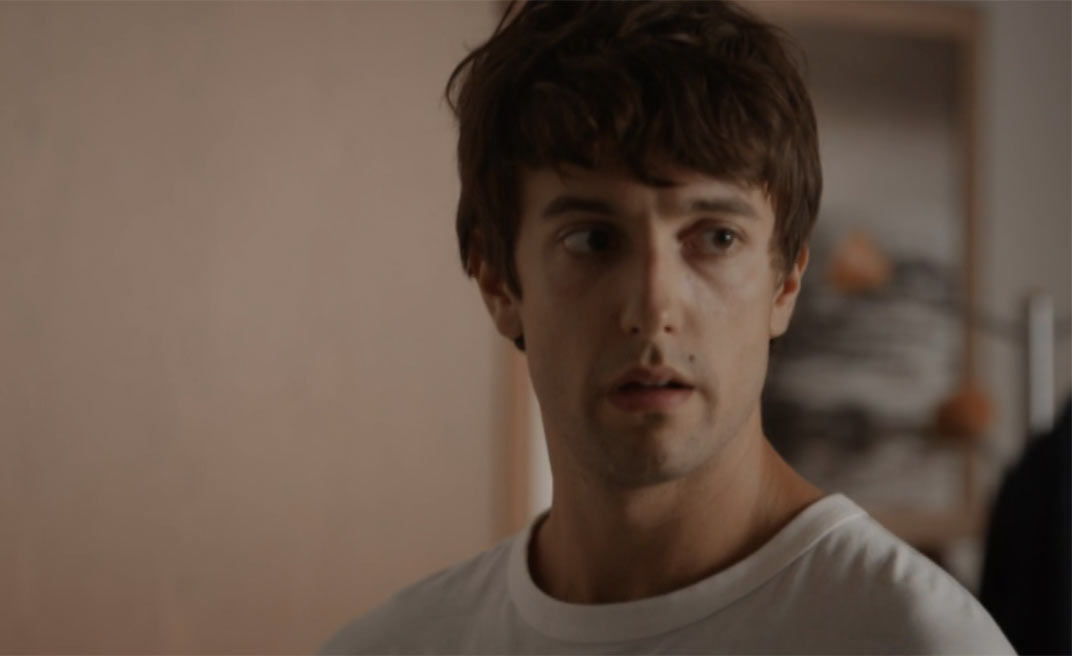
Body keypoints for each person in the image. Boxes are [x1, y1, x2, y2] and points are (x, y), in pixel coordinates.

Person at [321, 2, 1013, 653]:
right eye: (593, 240)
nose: (654, 307)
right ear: (498, 281)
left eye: (715, 238)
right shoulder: (392, 646)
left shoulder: (914, 640)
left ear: (786, 283)